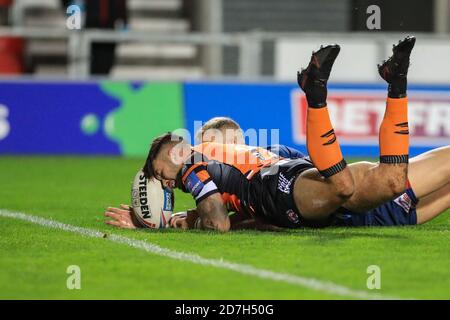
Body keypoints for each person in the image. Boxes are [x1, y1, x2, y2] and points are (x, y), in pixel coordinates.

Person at [105, 36, 449, 231]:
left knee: (363, 183)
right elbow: (227, 219)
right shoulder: (219, 173)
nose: (220, 151)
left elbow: (221, 219)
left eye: (226, 145)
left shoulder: (230, 163)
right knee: (382, 183)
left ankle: (319, 94)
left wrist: (160, 221)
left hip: (300, 193)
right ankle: (392, 82)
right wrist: (160, 219)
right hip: (325, 204)